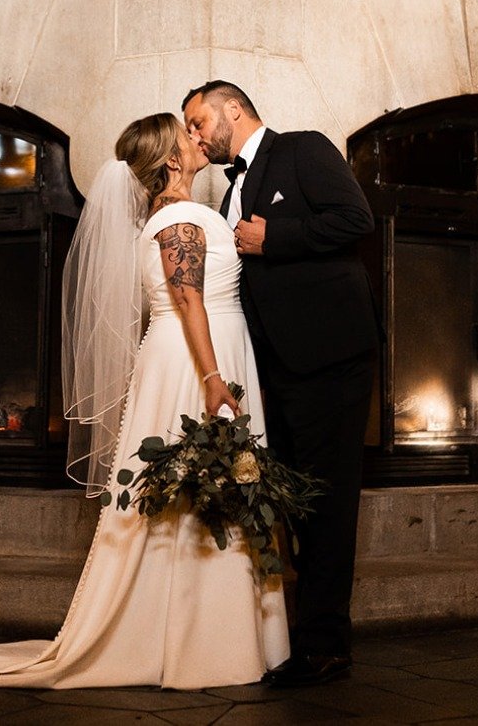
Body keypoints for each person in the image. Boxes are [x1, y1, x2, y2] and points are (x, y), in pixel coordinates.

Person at [0, 112, 289, 690]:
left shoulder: (174, 214)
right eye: (188, 136)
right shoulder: (178, 217)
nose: (199, 139)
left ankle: (202, 633)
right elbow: (190, 300)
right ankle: (202, 642)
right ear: (172, 161)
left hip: (198, 351)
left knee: (205, 490)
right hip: (195, 360)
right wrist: (212, 377)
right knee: (198, 490)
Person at [181, 81, 378, 688]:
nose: (193, 135)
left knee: (328, 500)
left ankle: (326, 647)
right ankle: (294, 637)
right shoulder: (227, 193)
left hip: (331, 360)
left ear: (231, 110)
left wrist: (277, 239)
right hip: (274, 371)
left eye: (197, 121)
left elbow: (357, 219)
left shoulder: (303, 149)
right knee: (292, 503)